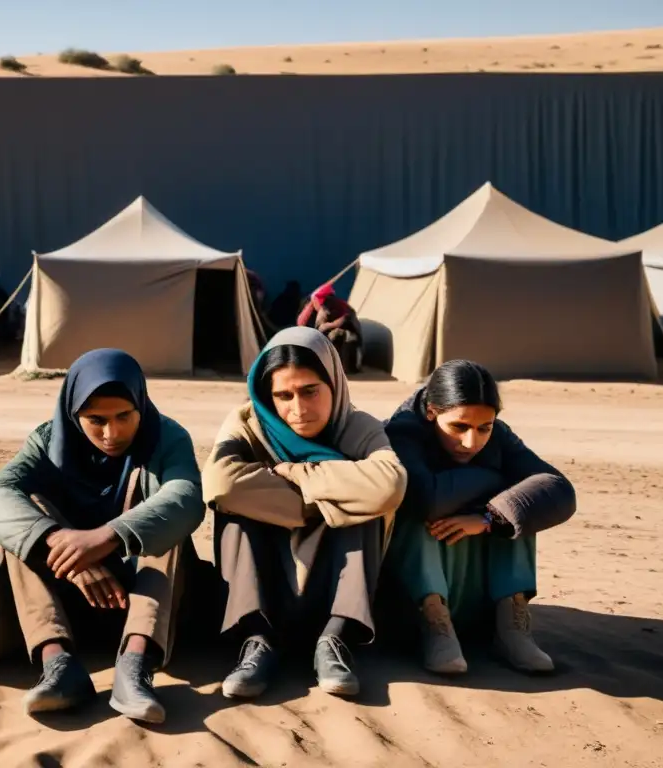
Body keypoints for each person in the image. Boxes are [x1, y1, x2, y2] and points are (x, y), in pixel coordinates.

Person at [0, 349, 205, 724]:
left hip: (146, 599)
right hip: (71, 597)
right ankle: (58, 664)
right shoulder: (46, 442)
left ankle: (135, 666)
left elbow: (186, 497)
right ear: (73, 413)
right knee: (21, 525)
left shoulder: (167, 437)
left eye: (124, 417)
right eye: (95, 420)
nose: (111, 434)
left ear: (141, 407)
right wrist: (65, 552)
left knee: (166, 524)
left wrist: (107, 536)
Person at [202, 327, 407, 699]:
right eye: (284, 395)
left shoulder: (357, 426)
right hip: (268, 574)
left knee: (366, 512)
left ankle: (335, 639)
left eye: (310, 391)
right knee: (234, 512)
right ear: (267, 396)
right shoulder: (248, 424)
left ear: (333, 381)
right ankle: (256, 640)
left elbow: (389, 484)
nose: (298, 409)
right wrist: (331, 499)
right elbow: (221, 483)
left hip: (333, 576)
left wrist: (298, 474)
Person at [382, 360, 576, 676]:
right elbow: (427, 499)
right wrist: (493, 476)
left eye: (484, 428)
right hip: (408, 601)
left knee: (517, 511)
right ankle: (435, 625)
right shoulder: (401, 431)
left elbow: (559, 490)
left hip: (477, 594)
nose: (472, 442)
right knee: (413, 511)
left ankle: (510, 628)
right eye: (459, 427)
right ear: (432, 411)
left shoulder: (498, 436)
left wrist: (488, 519)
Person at [297, 284, 364, 374]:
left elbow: (345, 319)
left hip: (349, 337)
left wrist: (328, 325)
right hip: (326, 336)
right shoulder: (314, 307)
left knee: (335, 336)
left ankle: (340, 368)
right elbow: (303, 324)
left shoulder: (337, 305)